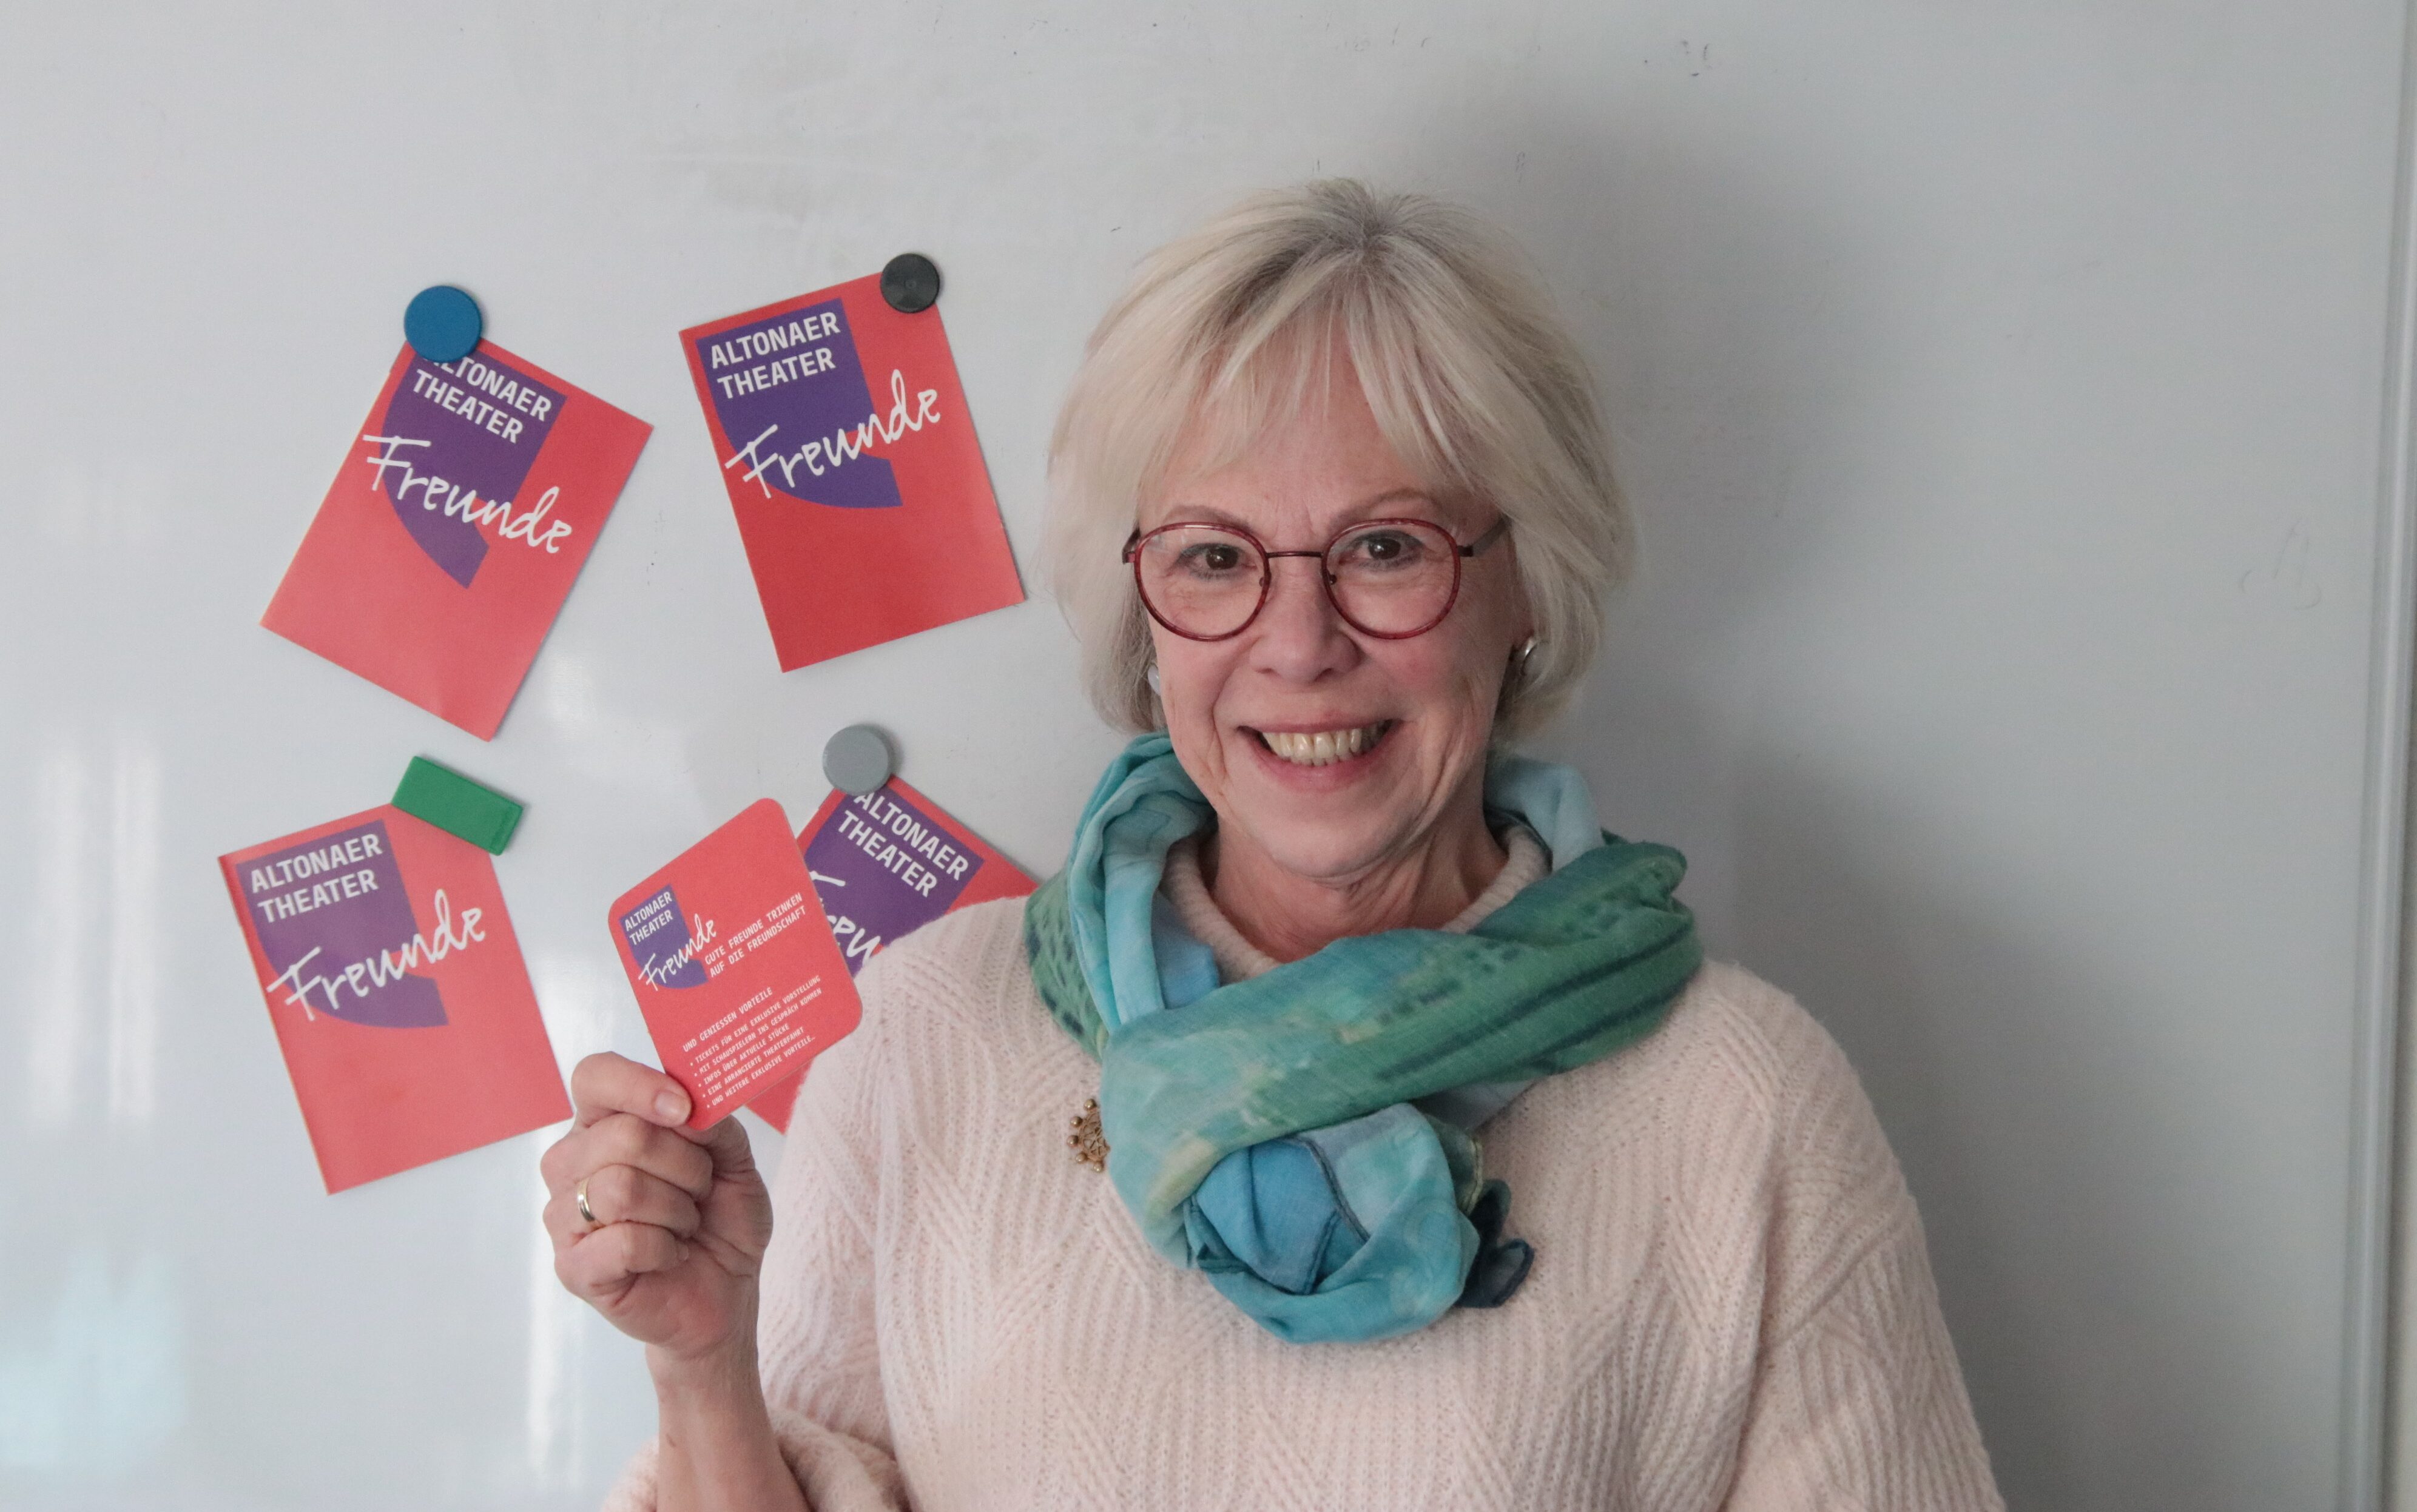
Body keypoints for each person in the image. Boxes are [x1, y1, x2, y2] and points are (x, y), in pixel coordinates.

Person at [542, 180, 2004, 1511]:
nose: (1298, 646)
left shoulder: (1745, 1107)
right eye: (1214, 557)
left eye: (1388, 547)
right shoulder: (933, 1031)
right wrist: (703, 1368)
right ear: (1144, 613)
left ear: (1528, 589)